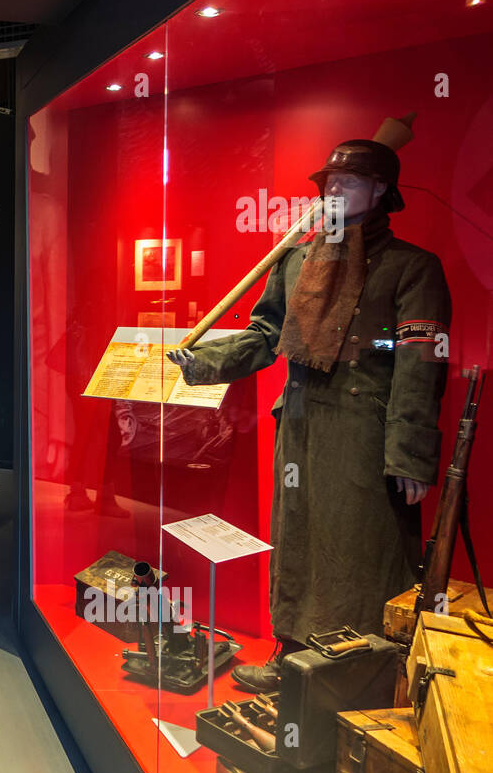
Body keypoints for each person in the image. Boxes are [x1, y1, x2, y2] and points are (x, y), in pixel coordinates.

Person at [168, 139, 450, 691]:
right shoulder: (298, 259)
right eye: (330, 182)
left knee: (360, 551)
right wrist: (200, 362)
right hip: (298, 423)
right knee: (296, 543)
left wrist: (411, 455)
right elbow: (265, 335)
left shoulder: (412, 268)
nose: (334, 189)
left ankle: (354, 677)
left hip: (365, 433)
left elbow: (420, 364)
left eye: (350, 181)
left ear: (381, 192)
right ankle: (292, 660)